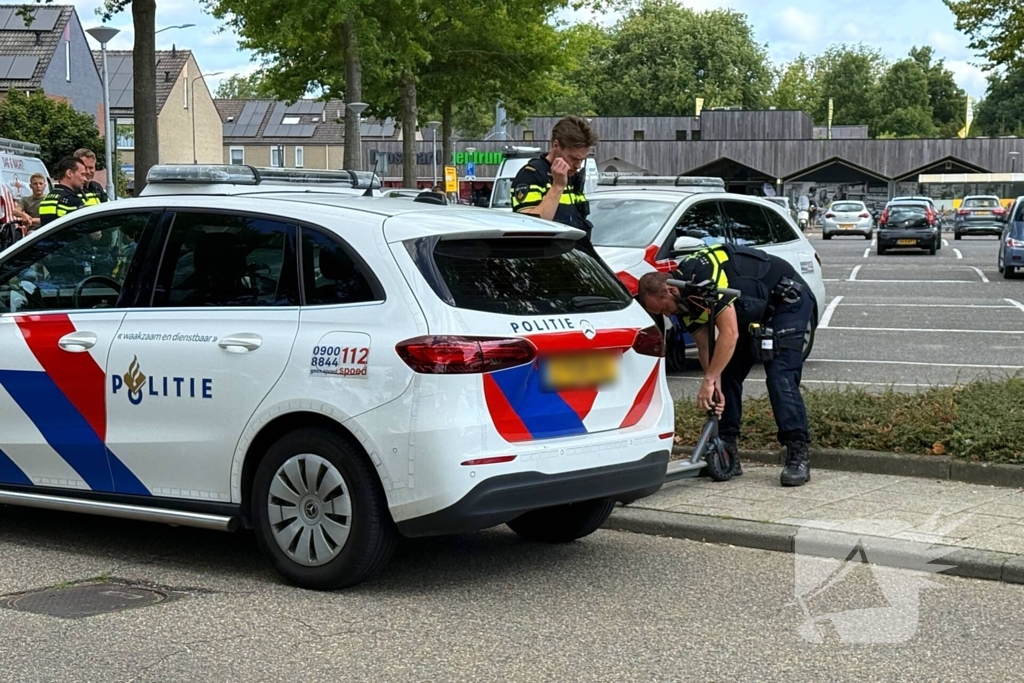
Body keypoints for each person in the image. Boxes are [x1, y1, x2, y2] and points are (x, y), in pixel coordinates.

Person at [636, 243, 816, 487]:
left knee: (779, 376)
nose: (667, 315)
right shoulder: (683, 300)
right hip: (751, 309)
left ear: (669, 291)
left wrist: (709, 380)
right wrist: (714, 384)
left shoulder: (703, 278)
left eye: (665, 308)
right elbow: (705, 346)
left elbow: (729, 333)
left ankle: (797, 453)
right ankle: (727, 448)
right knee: (727, 375)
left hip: (786, 301)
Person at [510, 115, 598, 250]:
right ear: (556, 146)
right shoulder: (531, 175)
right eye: (574, 158)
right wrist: (557, 186)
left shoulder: (572, 177)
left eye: (582, 160)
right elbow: (530, 227)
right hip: (546, 264)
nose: (578, 166)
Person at [39, 157, 88, 227]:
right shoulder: (72, 200)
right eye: (82, 174)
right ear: (69, 173)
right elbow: (85, 228)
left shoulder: (47, 198)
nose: (85, 179)